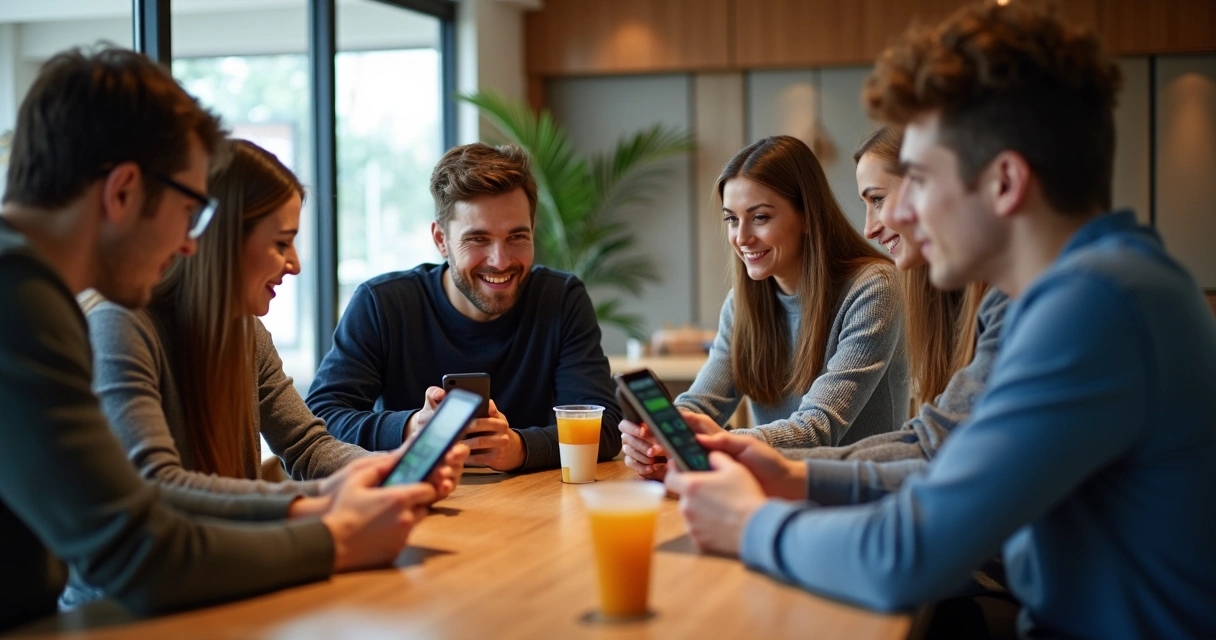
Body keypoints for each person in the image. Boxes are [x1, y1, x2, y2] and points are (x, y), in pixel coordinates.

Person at [666, 4, 1216, 638]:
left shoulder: (1096, 307)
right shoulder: (1037, 299)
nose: (898, 212)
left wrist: (749, 524)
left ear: (1006, 182)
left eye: (919, 179)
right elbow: (935, 446)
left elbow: (908, 556)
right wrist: (788, 473)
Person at [0, 46, 441, 632]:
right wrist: (331, 533)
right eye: (189, 211)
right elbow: (136, 548)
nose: (189, 244)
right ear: (124, 191)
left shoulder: (29, 290)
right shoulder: (22, 299)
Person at [307, 143, 622, 472]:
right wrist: (411, 427)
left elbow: (604, 424)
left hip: (532, 507)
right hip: (413, 506)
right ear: (441, 240)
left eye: (517, 237)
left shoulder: (561, 299)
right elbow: (320, 418)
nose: (500, 261)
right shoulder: (383, 303)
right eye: (478, 239)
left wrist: (518, 447)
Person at [620, 134, 908, 464]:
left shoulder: (873, 289)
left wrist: (710, 440)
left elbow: (817, 430)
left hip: (863, 497)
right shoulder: (743, 304)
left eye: (760, 217)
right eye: (731, 218)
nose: (741, 237)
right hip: (777, 491)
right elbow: (701, 406)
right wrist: (657, 440)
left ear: (807, 217)